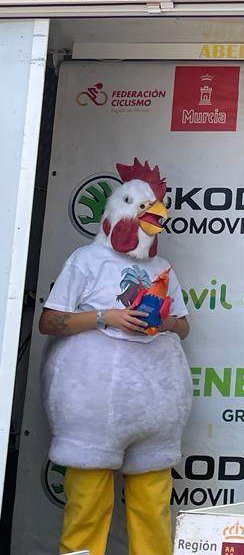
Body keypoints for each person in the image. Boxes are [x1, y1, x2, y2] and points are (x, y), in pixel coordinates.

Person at [39, 158, 191, 555]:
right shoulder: (85, 260)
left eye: (152, 209)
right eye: (139, 207)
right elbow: (49, 321)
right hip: (92, 409)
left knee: (153, 506)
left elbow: (183, 326)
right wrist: (107, 317)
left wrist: (162, 323)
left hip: (152, 410)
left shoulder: (162, 267)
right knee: (87, 506)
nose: (148, 215)